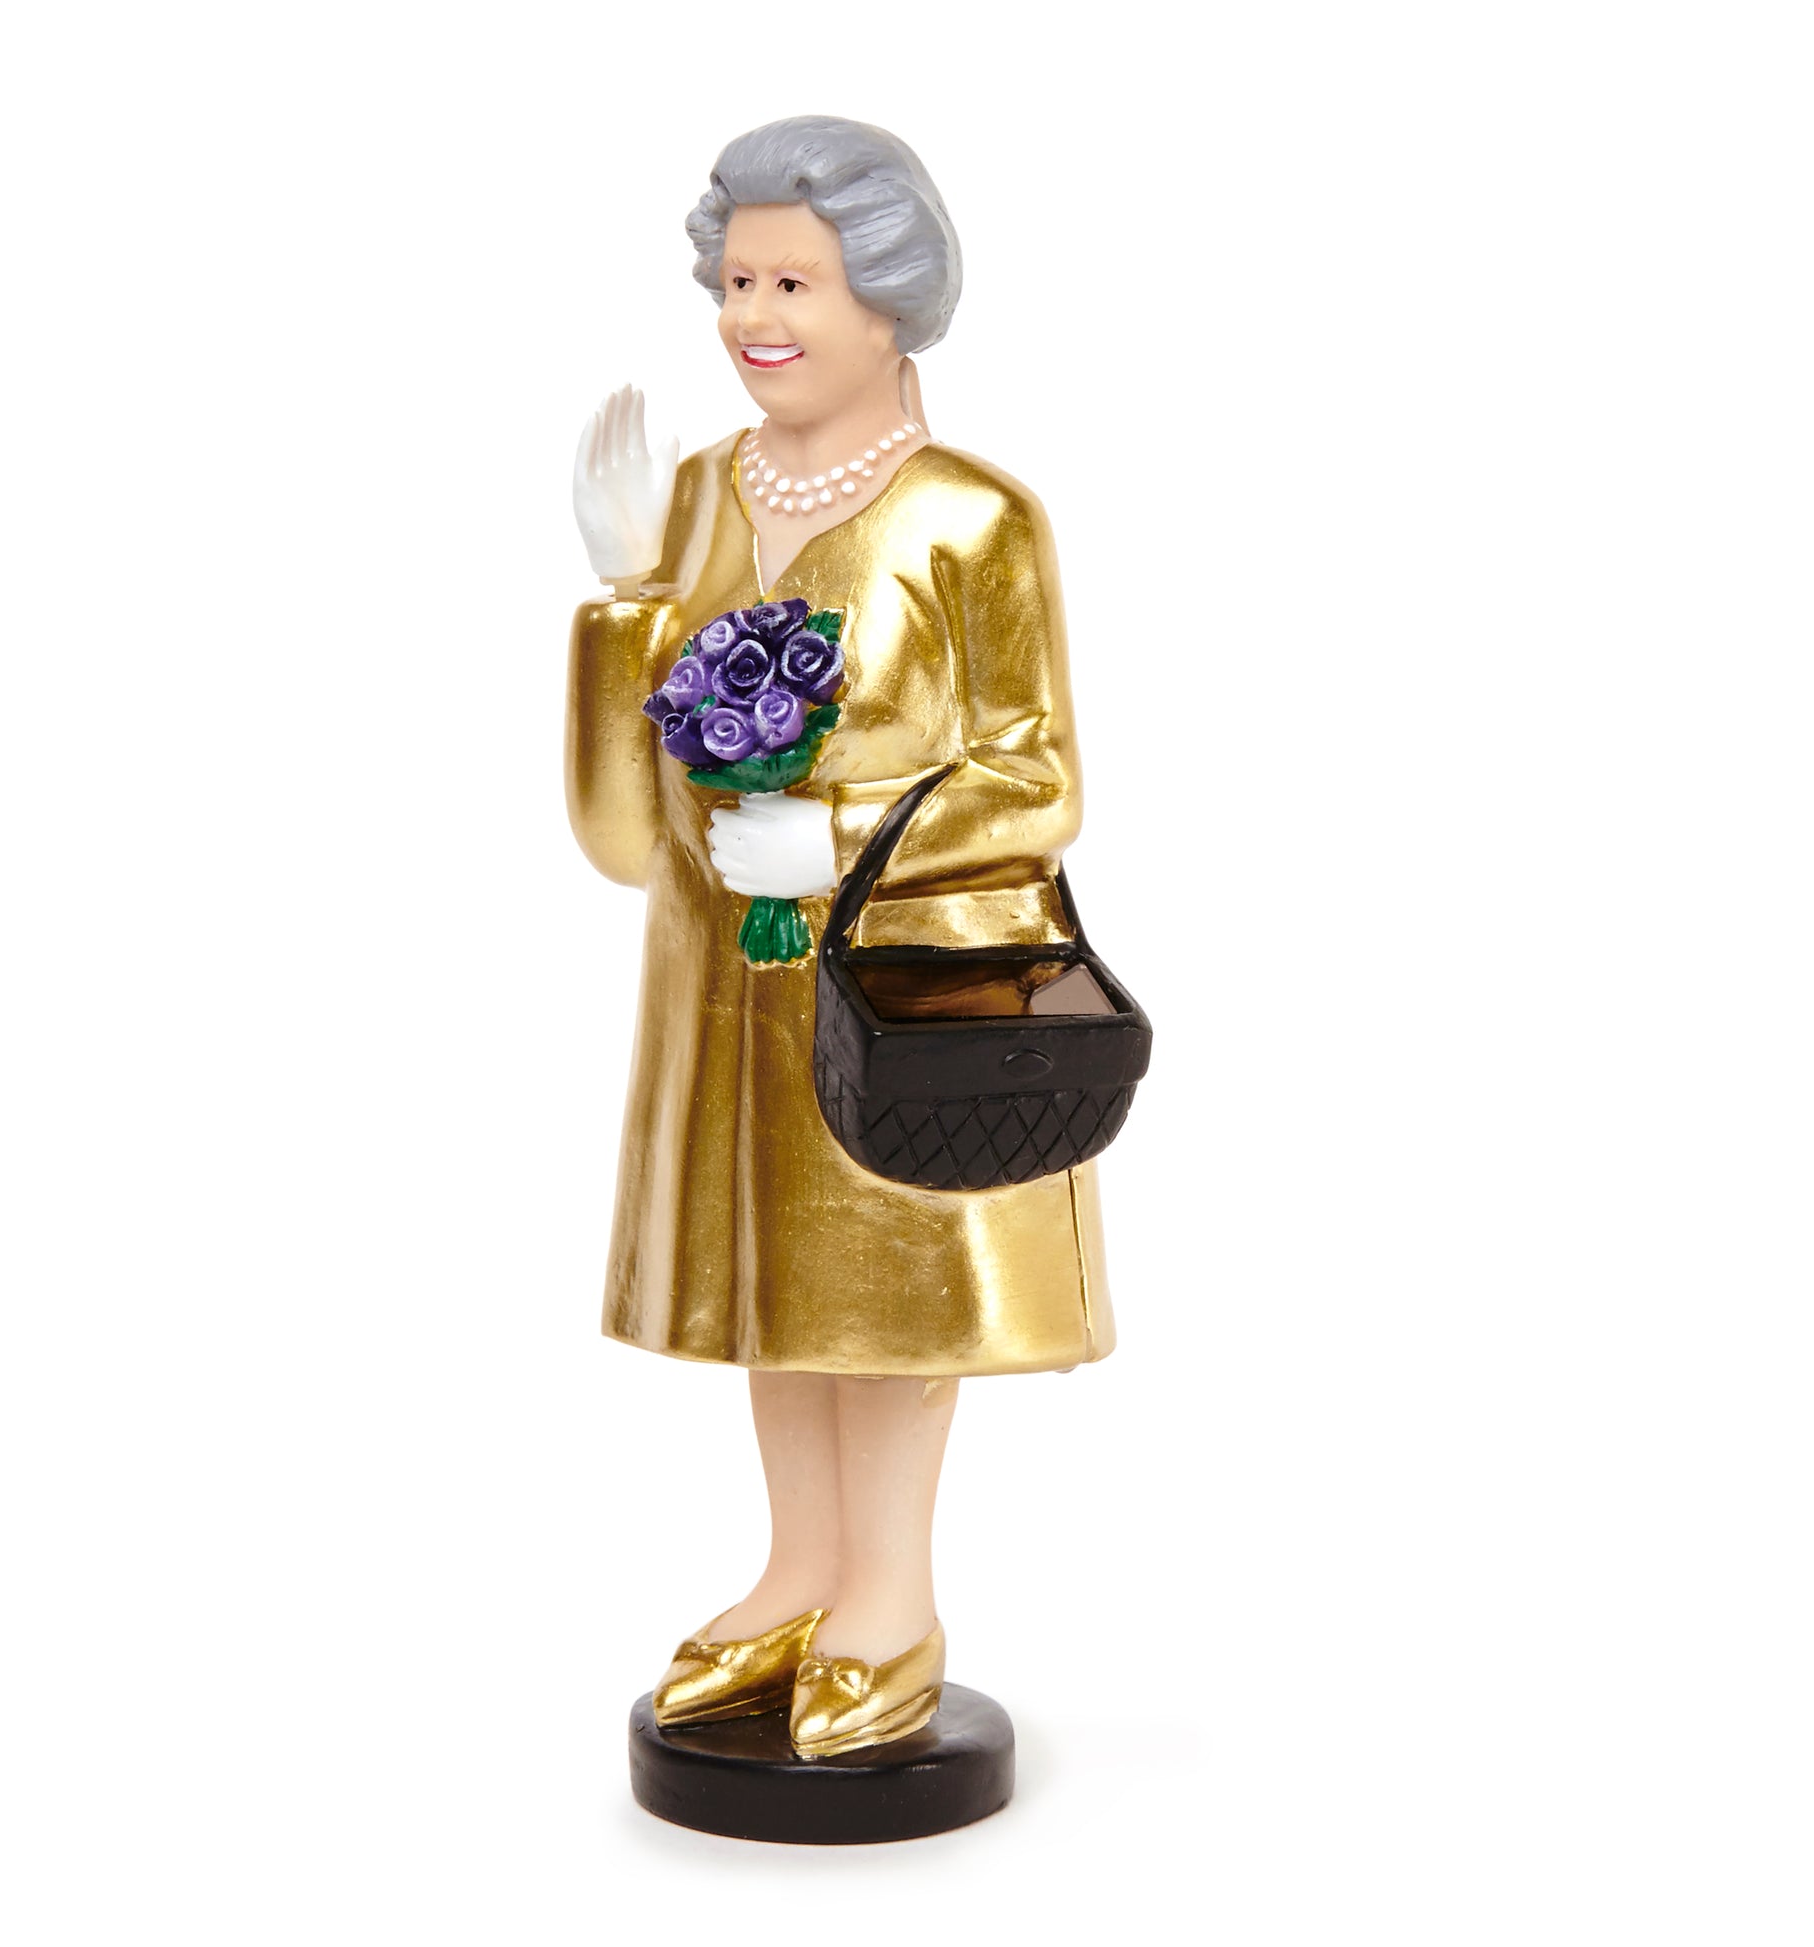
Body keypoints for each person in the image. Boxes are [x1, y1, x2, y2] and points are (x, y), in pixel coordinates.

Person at [564, 116, 1114, 1759]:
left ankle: (893, 1597)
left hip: (895, 988)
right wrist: (619, 606)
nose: (753, 316)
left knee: (881, 1298)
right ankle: (800, 1571)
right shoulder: (691, 500)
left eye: (791, 282)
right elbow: (619, 835)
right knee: (773, 1288)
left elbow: (1040, 777)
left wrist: (845, 830)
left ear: (888, 299)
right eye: (735, 281)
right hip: (724, 984)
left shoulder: (970, 520)